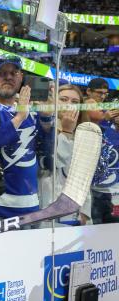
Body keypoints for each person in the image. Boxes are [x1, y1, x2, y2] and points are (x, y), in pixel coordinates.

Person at [0, 54, 48, 221]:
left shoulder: (28, 109)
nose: (8, 77)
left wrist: (47, 119)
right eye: (1, 73)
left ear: (21, 77)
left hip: (32, 204)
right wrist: (19, 117)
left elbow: (45, 153)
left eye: (13, 73)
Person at [37, 84, 92, 226]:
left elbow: (84, 179)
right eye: (64, 99)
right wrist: (66, 132)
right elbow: (55, 163)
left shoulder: (84, 136)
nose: (69, 105)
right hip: (44, 209)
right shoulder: (40, 129)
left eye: (75, 102)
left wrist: (85, 212)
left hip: (73, 214)